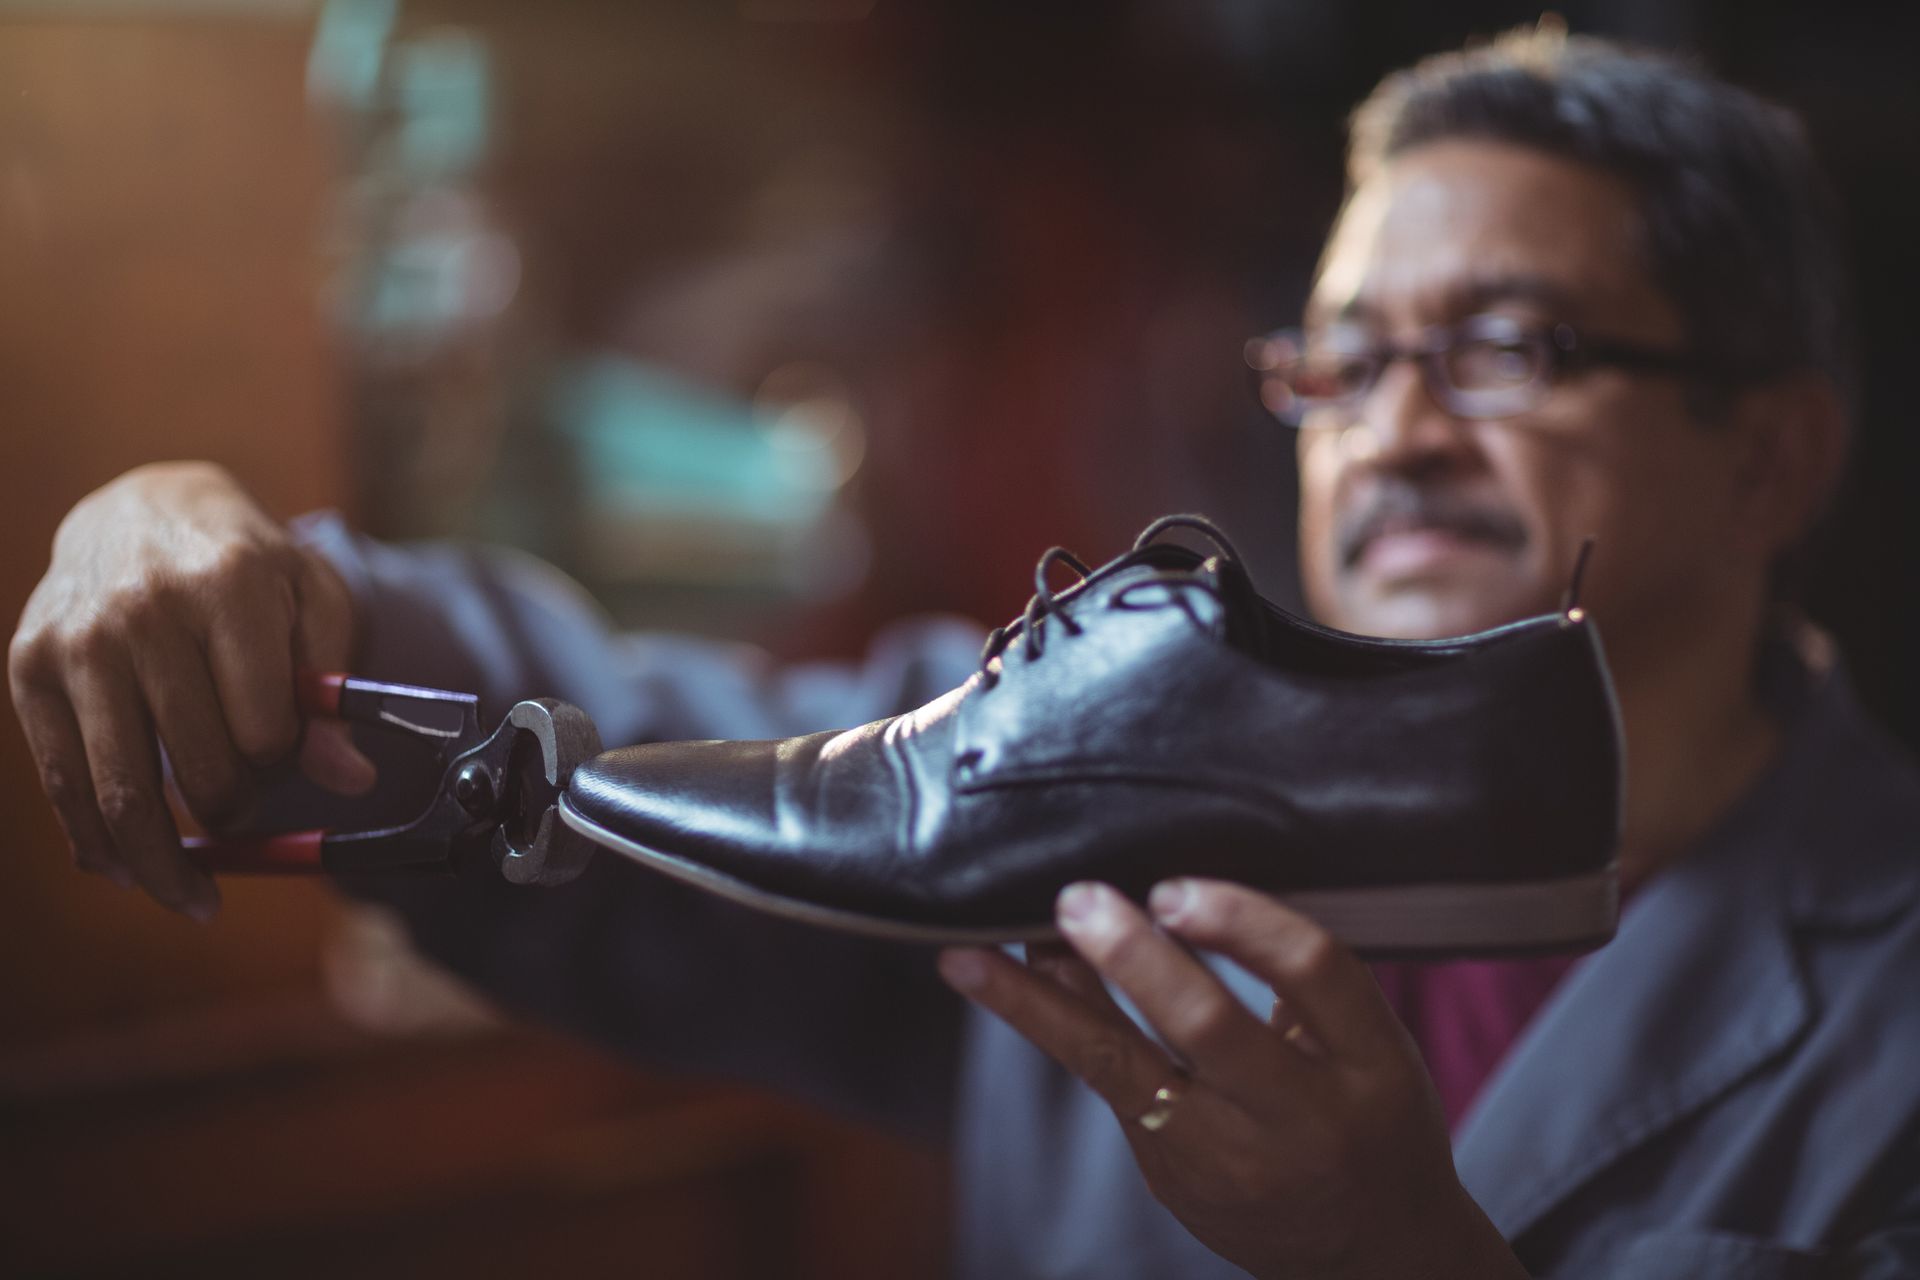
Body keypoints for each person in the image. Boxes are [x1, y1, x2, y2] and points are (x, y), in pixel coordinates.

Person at [12, 28, 1918, 1278]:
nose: (1394, 432)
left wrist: (1403, 1259)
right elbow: (601, 759)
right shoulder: (1113, 786)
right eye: (1342, 361)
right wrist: (210, 537)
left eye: (1507, 349)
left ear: (1776, 449)